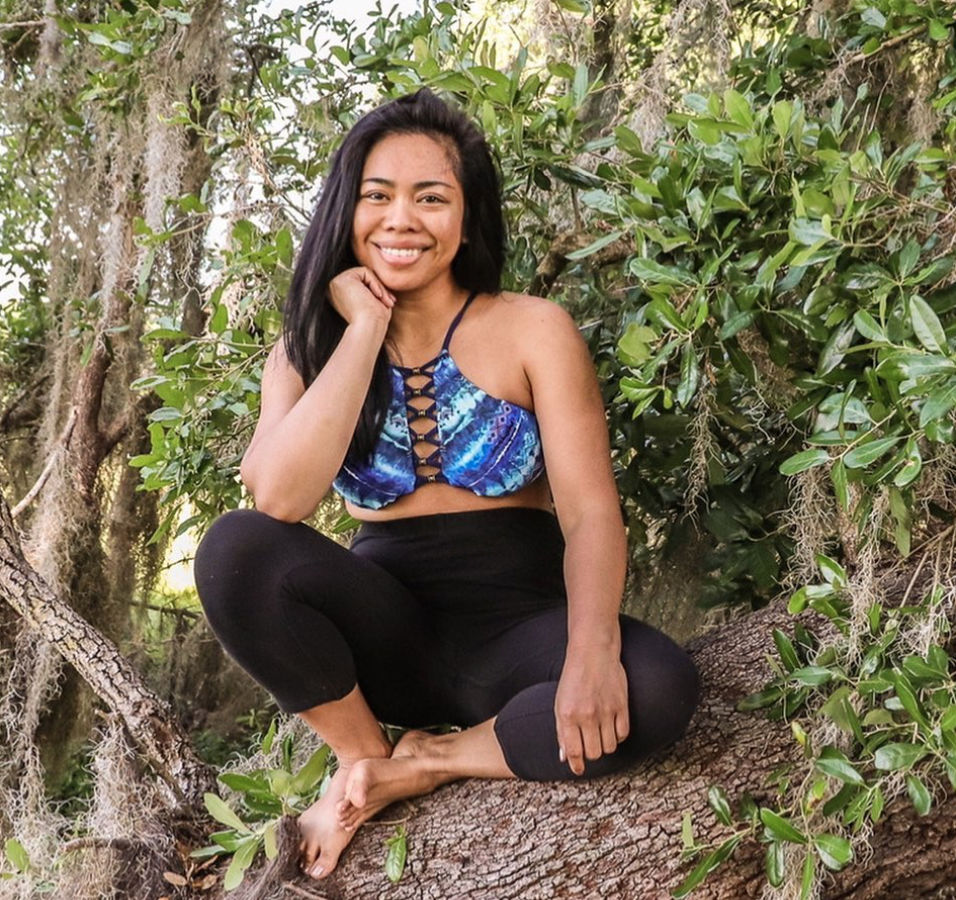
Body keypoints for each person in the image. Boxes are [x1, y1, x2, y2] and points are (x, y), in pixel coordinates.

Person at [194, 88, 701, 882]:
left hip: (520, 629)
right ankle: (363, 762)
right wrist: (362, 329)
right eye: (378, 196)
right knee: (233, 552)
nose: (402, 220)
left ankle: (425, 765)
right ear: (346, 211)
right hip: (388, 633)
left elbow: (592, 511)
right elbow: (279, 502)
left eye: (431, 198)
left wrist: (592, 652)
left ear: (466, 218)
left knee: (659, 687)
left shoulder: (533, 327)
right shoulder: (303, 352)